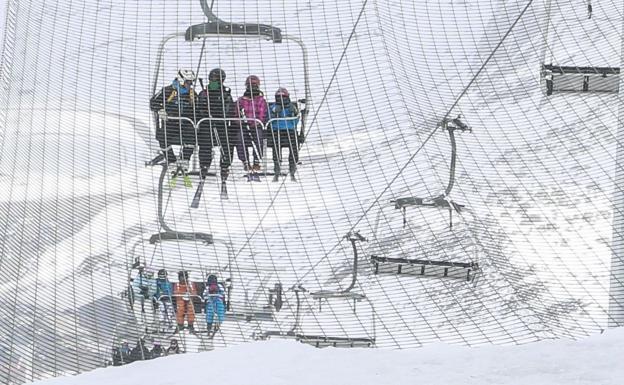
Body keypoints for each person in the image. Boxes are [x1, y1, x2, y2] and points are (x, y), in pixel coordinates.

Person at [149, 69, 200, 167]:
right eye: (187, 82)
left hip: (186, 124)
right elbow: (153, 102)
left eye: (191, 82)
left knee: (191, 136)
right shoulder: (167, 91)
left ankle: (184, 160)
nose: (189, 85)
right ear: (181, 80)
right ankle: (171, 160)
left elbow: (197, 109)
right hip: (170, 122)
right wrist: (160, 110)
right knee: (162, 137)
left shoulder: (192, 94)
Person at [234, 75, 268, 176]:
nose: (252, 87)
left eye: (254, 85)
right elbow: (236, 114)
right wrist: (240, 120)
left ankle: (257, 161)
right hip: (244, 126)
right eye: (249, 85)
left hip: (256, 126)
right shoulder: (241, 100)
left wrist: (255, 122)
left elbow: (262, 114)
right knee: (240, 137)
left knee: (258, 137)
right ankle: (245, 161)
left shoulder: (261, 100)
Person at [268, 87, 300, 182]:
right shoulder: (273, 107)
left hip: (290, 130)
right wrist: (274, 113)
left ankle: (292, 167)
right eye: (279, 97)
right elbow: (268, 119)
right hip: (277, 130)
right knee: (276, 148)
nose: (281, 99)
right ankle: (277, 168)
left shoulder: (291, 107)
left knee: (294, 146)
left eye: (283, 97)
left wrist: (293, 112)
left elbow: (296, 120)